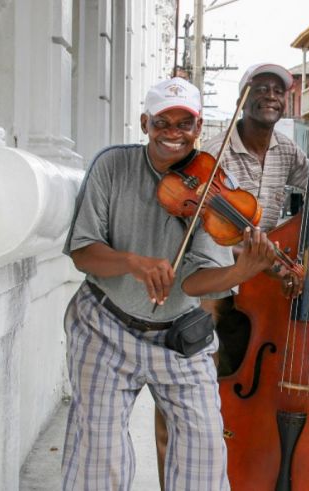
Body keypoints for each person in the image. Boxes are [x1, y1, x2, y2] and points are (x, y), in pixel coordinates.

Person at [61, 77, 279, 490]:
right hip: (105, 325)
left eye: (185, 124)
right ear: (146, 123)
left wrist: (240, 272)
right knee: (99, 454)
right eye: (163, 122)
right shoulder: (112, 166)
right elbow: (82, 252)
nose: (174, 133)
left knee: (205, 451)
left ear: (198, 129)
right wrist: (132, 262)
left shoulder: (211, 184)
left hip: (179, 333)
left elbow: (197, 283)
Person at [153, 63, 309, 482]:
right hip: (211, 288)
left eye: (279, 89)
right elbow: (176, 206)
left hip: (261, 288)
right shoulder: (213, 152)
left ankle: (237, 475)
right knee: (190, 394)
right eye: (262, 87)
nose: (271, 95)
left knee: (242, 395)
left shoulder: (287, 151)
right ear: (244, 96)